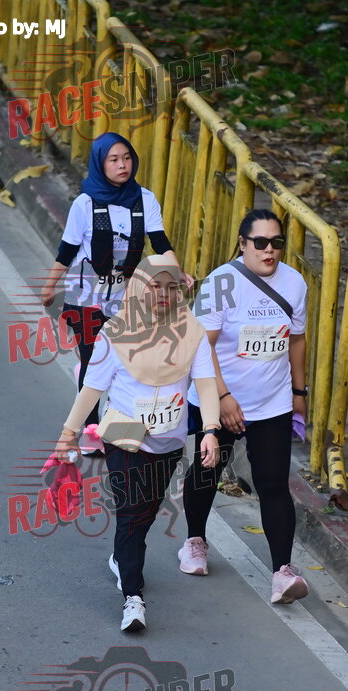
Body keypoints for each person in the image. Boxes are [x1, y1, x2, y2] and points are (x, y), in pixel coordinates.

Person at [54, 255, 221, 632]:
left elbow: (206, 383)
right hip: (124, 434)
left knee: (145, 511)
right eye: (154, 285)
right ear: (138, 288)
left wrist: (210, 429)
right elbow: (91, 389)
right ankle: (133, 597)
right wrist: (68, 433)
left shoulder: (192, 332)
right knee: (131, 511)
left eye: (171, 287)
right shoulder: (114, 334)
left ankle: (121, 558)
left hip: (169, 439)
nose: (163, 293)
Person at [181, 209, 310, 604]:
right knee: (208, 471)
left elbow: (296, 340)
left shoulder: (294, 282)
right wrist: (222, 398)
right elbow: (201, 345)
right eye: (260, 243)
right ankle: (195, 541)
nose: (269, 250)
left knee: (273, 483)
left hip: (271, 401)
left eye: (277, 243)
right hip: (217, 398)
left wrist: (299, 393)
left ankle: (282, 573)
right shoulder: (221, 283)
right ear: (242, 244)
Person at [41, 132, 192, 437]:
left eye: (127, 158)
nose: (122, 165)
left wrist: (177, 272)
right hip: (85, 295)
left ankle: (116, 418)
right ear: (100, 164)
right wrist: (49, 287)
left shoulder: (144, 199)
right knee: (94, 358)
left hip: (125, 294)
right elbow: (67, 251)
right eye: (113, 160)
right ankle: (90, 426)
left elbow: (160, 242)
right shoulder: (85, 204)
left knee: (123, 358)